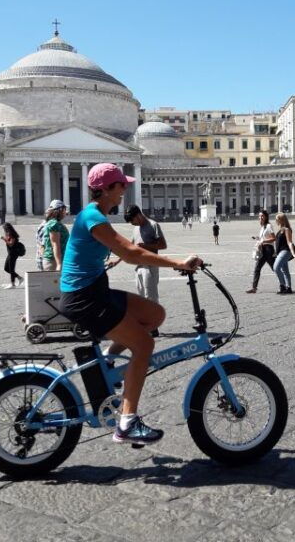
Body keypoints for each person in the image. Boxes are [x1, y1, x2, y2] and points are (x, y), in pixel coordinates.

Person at [59, 163, 200, 446]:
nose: (125, 190)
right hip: (84, 298)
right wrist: (177, 263)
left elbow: (128, 252)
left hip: (96, 290)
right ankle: (127, 423)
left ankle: (108, 361)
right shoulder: (92, 217)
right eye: (121, 185)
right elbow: (132, 253)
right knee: (144, 345)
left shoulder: (97, 216)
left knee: (154, 315)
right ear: (108, 189)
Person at [108, 204, 166, 337]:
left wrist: (146, 246)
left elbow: (163, 245)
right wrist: (117, 260)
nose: (132, 224)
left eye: (132, 220)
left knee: (150, 297)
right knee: (141, 297)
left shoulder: (153, 225)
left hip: (150, 266)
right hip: (138, 267)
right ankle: (147, 323)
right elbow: (130, 248)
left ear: (138, 215)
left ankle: (154, 326)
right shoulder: (136, 229)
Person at [246, 210, 276, 293]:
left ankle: (285, 284)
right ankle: (254, 288)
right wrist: (258, 238)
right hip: (263, 250)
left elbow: (274, 238)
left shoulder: (269, 226)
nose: (260, 217)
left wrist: (263, 241)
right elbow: (264, 238)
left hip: (268, 250)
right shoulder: (263, 227)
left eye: (262, 216)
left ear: (266, 217)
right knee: (257, 268)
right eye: (259, 216)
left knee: (275, 268)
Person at [273, 213, 295, 294]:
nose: (276, 221)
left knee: (276, 268)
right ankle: (288, 288)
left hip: (286, 251)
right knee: (285, 271)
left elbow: (290, 242)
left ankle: (282, 285)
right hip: (280, 252)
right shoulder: (280, 230)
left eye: (277, 219)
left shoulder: (287, 229)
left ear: (281, 220)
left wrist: (293, 253)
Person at [42, 200, 69, 271]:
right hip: (54, 261)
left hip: (55, 260)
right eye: (64, 209)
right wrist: (59, 263)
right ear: (59, 210)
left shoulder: (54, 223)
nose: (65, 212)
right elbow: (55, 244)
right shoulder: (54, 224)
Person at [0, 223, 23, 288]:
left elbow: (11, 244)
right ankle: (20, 278)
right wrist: (5, 238)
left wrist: (3, 239)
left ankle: (12, 284)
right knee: (6, 268)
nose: (4, 230)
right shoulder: (8, 234)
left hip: (13, 254)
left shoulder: (12, 234)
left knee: (11, 269)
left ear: (7, 228)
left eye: (4, 229)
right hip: (10, 253)